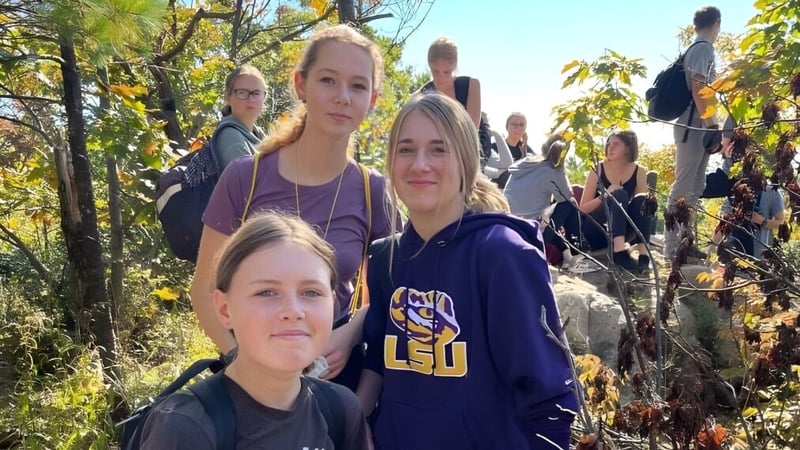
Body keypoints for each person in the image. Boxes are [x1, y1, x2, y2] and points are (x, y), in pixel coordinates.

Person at [357, 93, 576, 449]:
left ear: (467, 161)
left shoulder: (503, 254)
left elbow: (548, 396)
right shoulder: (385, 257)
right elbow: (380, 361)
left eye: (439, 149)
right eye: (406, 149)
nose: (420, 164)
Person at [191, 24, 392, 391]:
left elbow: (391, 291)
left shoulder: (372, 189)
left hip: (336, 380)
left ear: (372, 99)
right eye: (328, 80)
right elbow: (204, 290)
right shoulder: (245, 178)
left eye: (358, 86)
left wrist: (347, 336)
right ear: (301, 85)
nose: (343, 97)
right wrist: (247, 369)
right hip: (252, 380)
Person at [141, 213, 370, 449]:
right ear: (224, 309)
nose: (293, 311)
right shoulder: (186, 427)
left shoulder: (340, 410)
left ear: (332, 303)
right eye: (266, 292)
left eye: (311, 292)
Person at [663, 5, 723, 262]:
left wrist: (712, 126)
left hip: (699, 125)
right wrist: (711, 125)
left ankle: (687, 243)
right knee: (683, 186)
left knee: (696, 187)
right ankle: (672, 247)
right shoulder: (702, 49)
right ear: (717, 23)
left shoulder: (701, 48)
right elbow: (699, 88)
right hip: (693, 125)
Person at [579, 130, 655, 272]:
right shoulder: (598, 168)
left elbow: (641, 211)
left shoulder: (639, 171)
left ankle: (644, 255)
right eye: (608, 144)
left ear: (628, 148)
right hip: (596, 230)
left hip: (623, 229)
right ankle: (619, 253)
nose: (610, 147)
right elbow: (582, 209)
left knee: (643, 199)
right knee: (619, 194)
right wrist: (606, 194)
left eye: (616, 144)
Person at [505, 133, 583, 269]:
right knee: (569, 204)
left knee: (549, 212)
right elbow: (566, 197)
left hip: (509, 222)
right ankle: (577, 248)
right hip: (532, 230)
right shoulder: (552, 171)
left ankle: (567, 256)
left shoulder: (525, 163)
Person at [215, 65, 268, 168]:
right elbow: (249, 183)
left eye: (256, 93)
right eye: (242, 93)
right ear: (228, 98)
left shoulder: (259, 135)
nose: (251, 99)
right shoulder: (232, 139)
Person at [487, 112, 532, 188]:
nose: (518, 127)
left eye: (521, 125)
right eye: (514, 124)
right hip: (497, 188)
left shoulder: (527, 150)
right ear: (507, 127)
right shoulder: (495, 147)